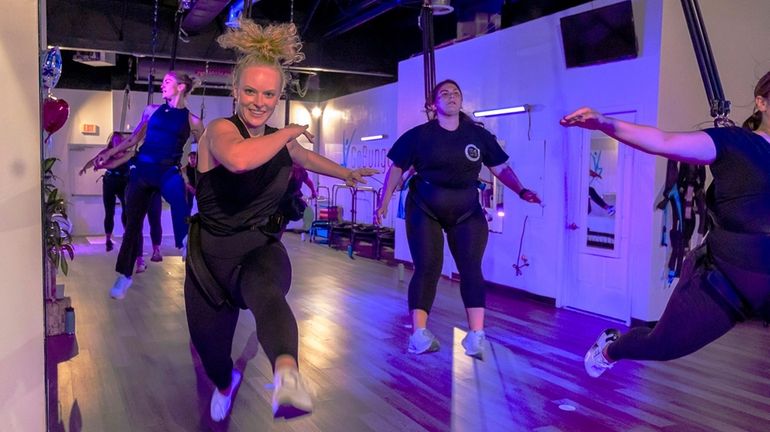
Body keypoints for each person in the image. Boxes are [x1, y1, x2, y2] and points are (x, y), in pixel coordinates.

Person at [184, 19, 377, 422]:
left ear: (278, 95)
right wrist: (289, 130)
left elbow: (305, 157)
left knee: (268, 296)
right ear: (235, 91)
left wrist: (345, 173)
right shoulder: (219, 131)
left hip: (260, 251)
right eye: (251, 91)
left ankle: (287, 374)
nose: (259, 101)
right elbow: (239, 160)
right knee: (211, 352)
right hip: (210, 263)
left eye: (268, 93)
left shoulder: (280, 140)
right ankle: (225, 382)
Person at [560, 70, 770, 378]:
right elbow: (664, 140)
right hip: (724, 283)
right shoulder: (736, 143)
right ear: (761, 102)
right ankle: (611, 348)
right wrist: (605, 123)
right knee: (662, 345)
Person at [376, 79, 541, 360]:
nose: (451, 97)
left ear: (461, 101)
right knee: (428, 266)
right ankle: (419, 334)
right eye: (444, 93)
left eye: (456, 93)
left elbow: (500, 168)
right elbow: (397, 169)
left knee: (471, 268)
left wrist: (522, 190)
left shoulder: (478, 136)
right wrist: (384, 202)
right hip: (424, 207)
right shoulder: (418, 136)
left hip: (466, 209)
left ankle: (476, 336)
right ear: (433, 104)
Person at [95, 71, 205, 299]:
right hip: (143, 170)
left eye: (167, 82)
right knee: (132, 224)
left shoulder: (193, 120)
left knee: (179, 198)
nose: (162, 85)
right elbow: (133, 139)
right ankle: (124, 275)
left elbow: (204, 150)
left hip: (167, 170)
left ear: (181, 87)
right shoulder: (152, 111)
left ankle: (184, 242)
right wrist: (110, 153)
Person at [80, 132, 164, 267]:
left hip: (147, 189)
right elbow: (112, 164)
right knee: (116, 214)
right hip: (118, 184)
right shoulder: (126, 153)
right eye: (116, 141)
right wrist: (93, 166)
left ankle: (154, 250)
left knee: (151, 219)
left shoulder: (150, 155)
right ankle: (131, 253)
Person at [182, 150, 198, 214]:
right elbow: (185, 182)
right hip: (189, 189)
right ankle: (188, 217)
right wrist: (191, 188)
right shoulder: (184, 169)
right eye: (191, 158)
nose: (192, 159)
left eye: (194, 158)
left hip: (199, 188)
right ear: (188, 159)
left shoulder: (199, 168)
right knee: (189, 205)